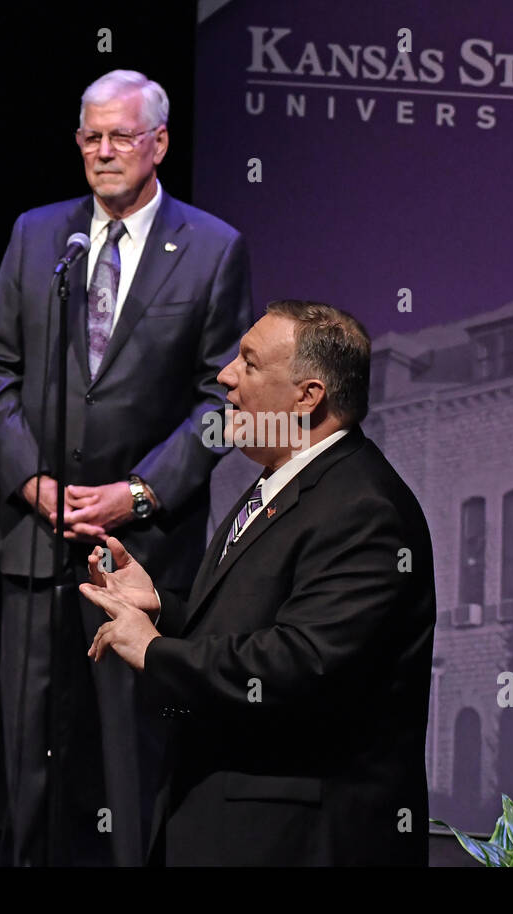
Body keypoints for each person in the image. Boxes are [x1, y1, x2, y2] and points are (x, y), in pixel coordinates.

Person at [0, 69, 252, 866]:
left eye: (120, 136)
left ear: (158, 143)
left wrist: (138, 493)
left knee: (136, 759)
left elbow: (224, 397)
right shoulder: (39, 236)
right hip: (36, 537)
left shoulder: (212, 248)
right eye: (89, 136)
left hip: (139, 552)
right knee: (30, 760)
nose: (102, 152)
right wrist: (32, 480)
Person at [78, 300, 436, 865]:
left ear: (307, 396)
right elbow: (261, 622)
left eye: (248, 362)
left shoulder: (364, 508)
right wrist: (164, 610)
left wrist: (154, 651)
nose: (224, 376)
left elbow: (302, 663)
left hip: (295, 841)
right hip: (232, 825)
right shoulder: (284, 482)